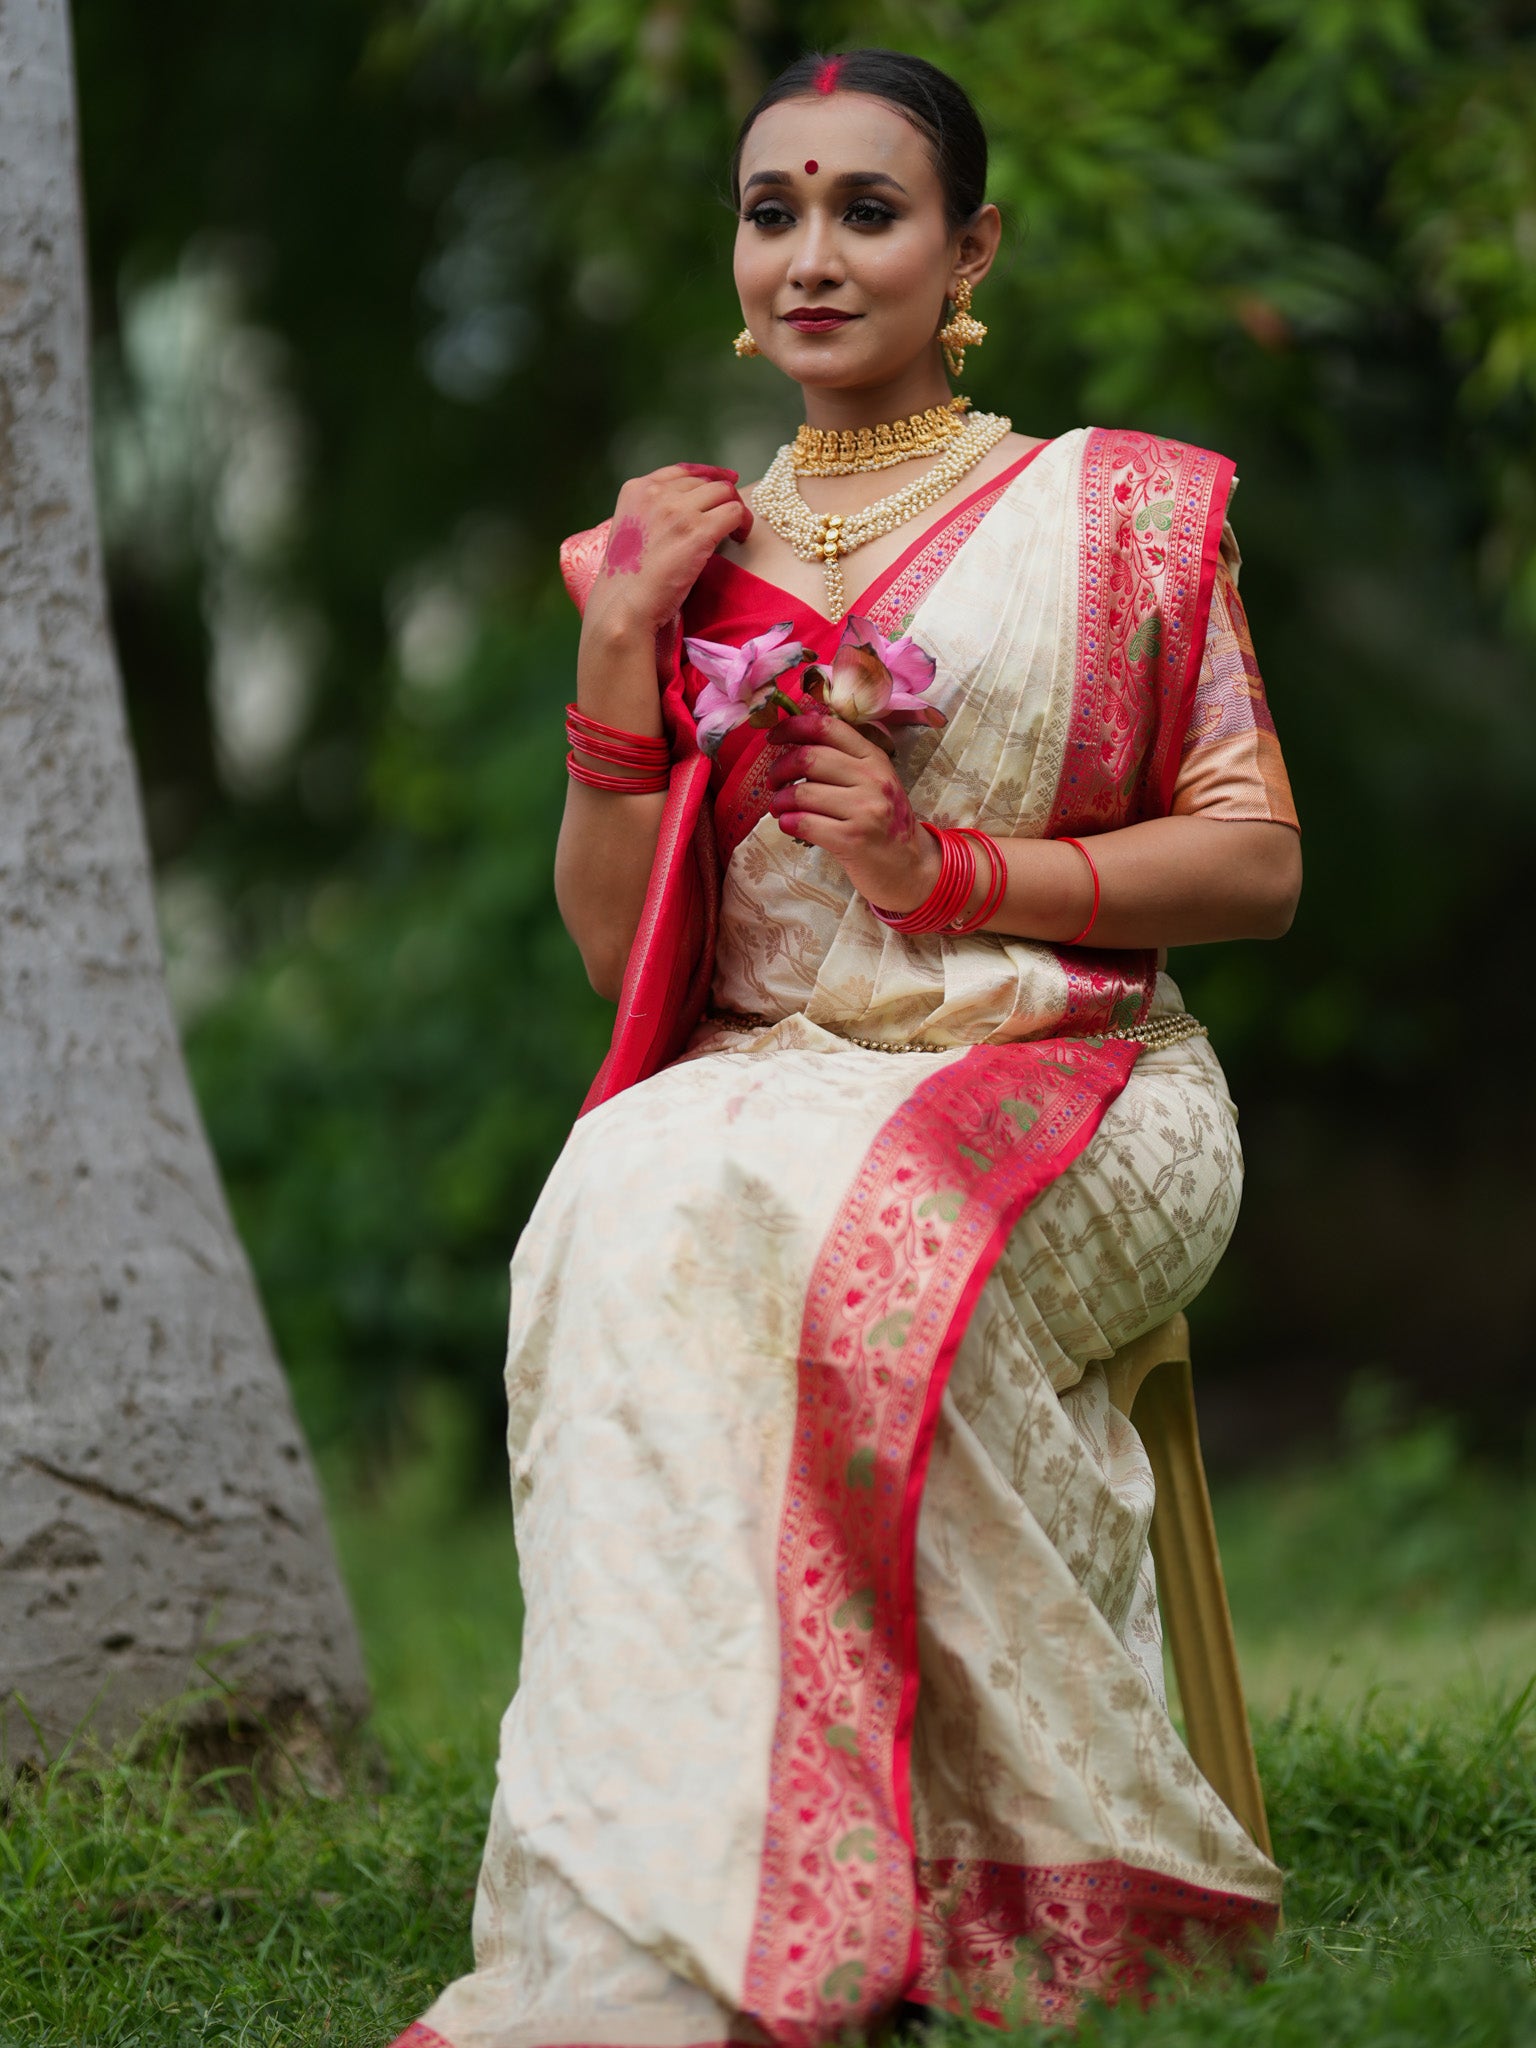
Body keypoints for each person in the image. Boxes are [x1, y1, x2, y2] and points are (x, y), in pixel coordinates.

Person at [391, 47, 1301, 2048]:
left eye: (865, 211)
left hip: (1081, 1069)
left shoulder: (1114, 513)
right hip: (763, 1072)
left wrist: (935, 857)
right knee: (618, 1195)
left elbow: (1253, 863)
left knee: (793, 1213)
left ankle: (995, 1880)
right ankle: (674, 1908)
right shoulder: (677, 546)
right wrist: (616, 651)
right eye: (770, 209)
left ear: (966, 251)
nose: (810, 252)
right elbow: (629, 950)